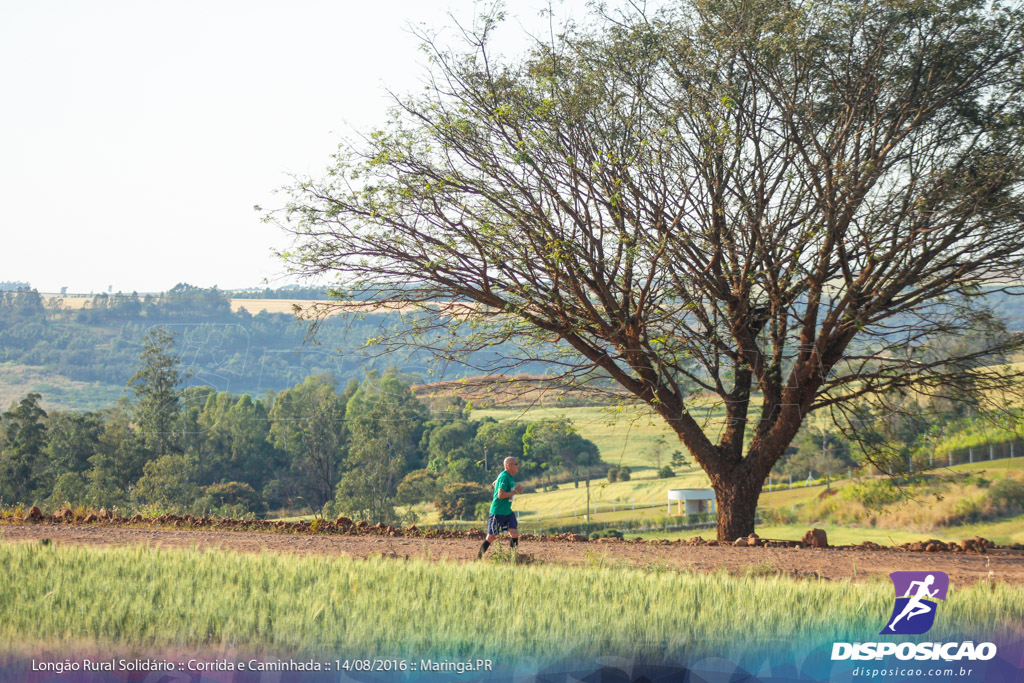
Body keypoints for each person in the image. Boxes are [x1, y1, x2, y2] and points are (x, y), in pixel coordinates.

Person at [478, 456, 524, 559]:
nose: (518, 465)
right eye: (515, 464)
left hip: (507, 512)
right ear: (508, 465)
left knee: (514, 533)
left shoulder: (508, 477)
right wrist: (515, 491)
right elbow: (500, 495)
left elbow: (494, 483)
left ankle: (513, 558)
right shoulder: (504, 477)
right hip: (497, 512)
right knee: (491, 537)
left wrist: (499, 484)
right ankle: (478, 559)